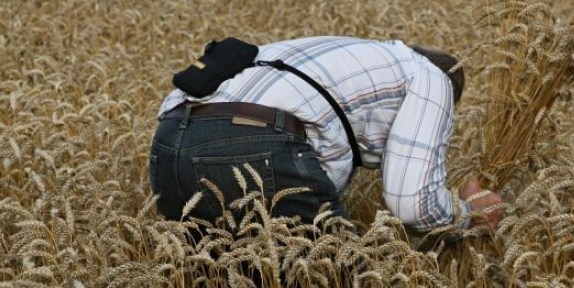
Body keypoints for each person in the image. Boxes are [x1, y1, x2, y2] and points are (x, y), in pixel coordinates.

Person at [148, 35, 503, 234]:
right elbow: (412, 205)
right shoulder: (432, 78)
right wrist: (468, 213)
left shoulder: (354, 57)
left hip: (167, 145)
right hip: (254, 142)